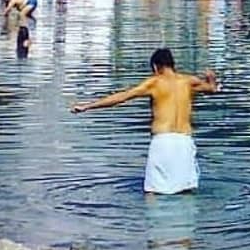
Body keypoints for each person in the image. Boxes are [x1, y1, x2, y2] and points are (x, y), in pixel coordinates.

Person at [71, 48, 219, 195]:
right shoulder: (189, 81)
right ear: (173, 64)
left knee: (152, 191)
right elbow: (212, 89)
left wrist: (87, 106)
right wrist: (211, 77)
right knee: (186, 190)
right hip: (184, 141)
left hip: (163, 142)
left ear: (155, 66)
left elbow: (122, 97)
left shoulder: (154, 82)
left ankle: (151, 218)